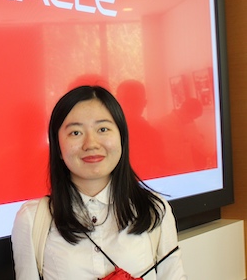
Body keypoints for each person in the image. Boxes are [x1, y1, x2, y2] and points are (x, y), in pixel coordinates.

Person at [11, 85, 186, 279]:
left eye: (103, 129)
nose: (91, 144)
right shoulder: (32, 219)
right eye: (75, 133)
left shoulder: (154, 209)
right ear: (58, 147)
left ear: (121, 138)